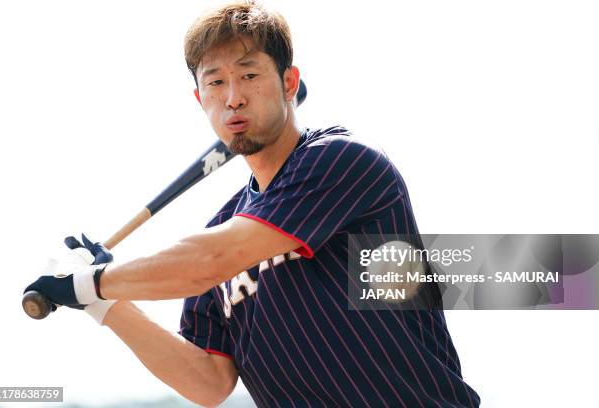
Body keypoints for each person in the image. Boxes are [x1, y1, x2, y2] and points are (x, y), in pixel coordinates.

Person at [25, 2, 481, 407]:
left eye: (248, 74)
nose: (233, 97)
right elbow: (208, 382)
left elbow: (208, 260)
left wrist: (91, 281)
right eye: (216, 82)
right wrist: (106, 303)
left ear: (289, 82)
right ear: (199, 98)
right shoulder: (223, 225)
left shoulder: (339, 162)